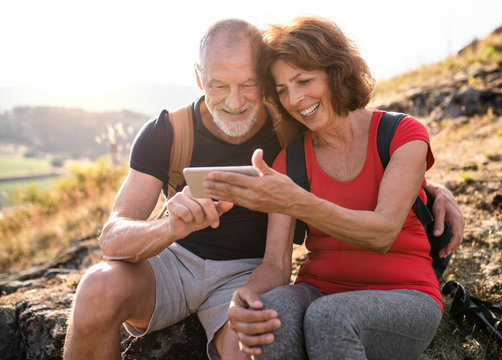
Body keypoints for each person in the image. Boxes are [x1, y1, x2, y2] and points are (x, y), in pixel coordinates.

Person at [63, 18, 463, 360]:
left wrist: (428, 188)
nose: (235, 102)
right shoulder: (176, 132)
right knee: (99, 288)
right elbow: (114, 236)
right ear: (200, 78)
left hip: (253, 273)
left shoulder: (291, 128)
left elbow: (364, 156)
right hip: (181, 263)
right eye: (218, 86)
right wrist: (169, 227)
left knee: (269, 337)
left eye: (249, 85)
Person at [203, 17, 458, 359]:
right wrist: (243, 298)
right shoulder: (290, 160)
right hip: (318, 288)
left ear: (336, 71)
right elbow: (277, 265)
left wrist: (300, 202)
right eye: (282, 90)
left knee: (331, 316)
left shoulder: (402, 134)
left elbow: (382, 233)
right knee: (272, 311)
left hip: (406, 294)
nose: (294, 99)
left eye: (304, 81)